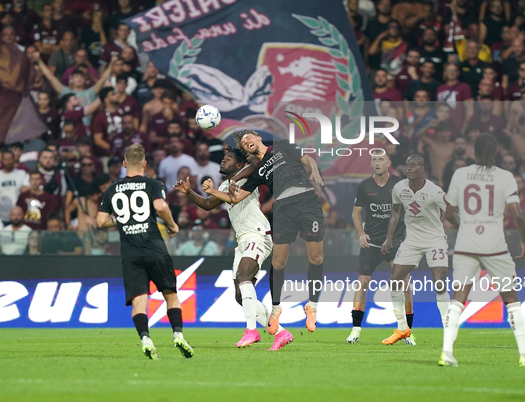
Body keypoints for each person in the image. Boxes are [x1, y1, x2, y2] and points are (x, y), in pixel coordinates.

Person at [203, 130, 325, 334]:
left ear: (258, 138)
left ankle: (312, 306)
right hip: (284, 208)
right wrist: (213, 191)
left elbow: (307, 158)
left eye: (248, 137)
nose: (246, 141)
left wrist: (314, 170)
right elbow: (234, 199)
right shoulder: (258, 171)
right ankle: (276, 309)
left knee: (316, 258)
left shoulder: (282, 146)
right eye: (243, 142)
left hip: (307, 202)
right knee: (278, 262)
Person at [440, 132, 525, 367]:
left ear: (473, 152)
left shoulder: (460, 174)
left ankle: (447, 353)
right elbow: (517, 213)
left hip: (466, 245)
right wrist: (524, 240)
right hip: (495, 246)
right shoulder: (505, 176)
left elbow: (448, 212)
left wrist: (464, 227)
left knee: (458, 299)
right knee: (512, 300)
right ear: (496, 151)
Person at [174, 147, 293, 350]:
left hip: (257, 235)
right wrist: (189, 192)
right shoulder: (225, 185)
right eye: (223, 158)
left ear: (239, 164)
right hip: (242, 241)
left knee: (244, 275)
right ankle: (281, 332)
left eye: (228, 158)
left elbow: (255, 166)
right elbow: (208, 204)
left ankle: (252, 331)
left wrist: (238, 177)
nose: (223, 161)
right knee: (240, 295)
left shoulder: (248, 178)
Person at [96, 144, 194, 360]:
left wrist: (122, 219)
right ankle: (178, 335)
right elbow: (160, 206)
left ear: (123, 164)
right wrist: (173, 224)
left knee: (139, 300)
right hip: (154, 248)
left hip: (130, 253)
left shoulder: (113, 188)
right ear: (144, 163)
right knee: (170, 294)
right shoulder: (153, 183)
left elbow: (101, 221)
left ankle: (145, 338)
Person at [346, 150, 416, 345]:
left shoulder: (400, 185)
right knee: (362, 283)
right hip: (372, 242)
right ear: (371, 164)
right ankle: (356, 330)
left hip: (397, 241)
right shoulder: (364, 186)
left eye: (381, 160)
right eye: (374, 160)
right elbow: (355, 214)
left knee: (404, 284)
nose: (377, 163)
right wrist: (361, 233)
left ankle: (407, 331)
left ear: (388, 163)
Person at [381, 154, 450, 345]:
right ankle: (402, 328)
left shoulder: (434, 191)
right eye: (407, 165)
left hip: (435, 240)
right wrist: (389, 238)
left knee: (439, 284)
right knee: (394, 281)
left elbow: (451, 210)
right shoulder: (399, 188)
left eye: (414, 165)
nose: (409, 168)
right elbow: (395, 212)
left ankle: (448, 328)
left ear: (422, 169)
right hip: (411, 241)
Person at [0, 151, 30, 224]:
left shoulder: (22, 174)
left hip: (19, 214)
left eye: (10, 159)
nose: (8, 162)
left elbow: (26, 192)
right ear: (2, 160)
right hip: (2, 215)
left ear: (14, 159)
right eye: (6, 159)